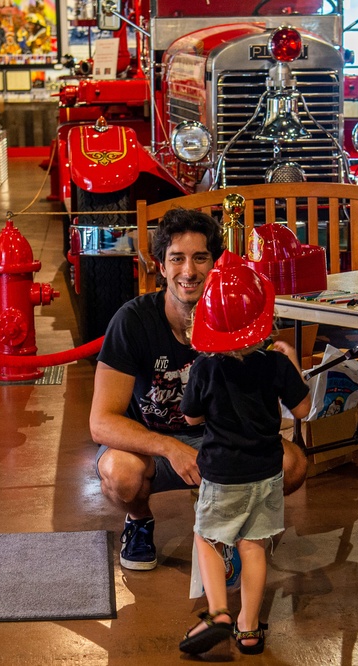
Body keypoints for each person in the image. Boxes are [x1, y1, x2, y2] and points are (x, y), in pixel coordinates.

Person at [89, 208, 309, 572]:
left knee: (293, 464)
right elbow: (101, 423)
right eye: (177, 259)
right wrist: (170, 448)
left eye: (200, 258)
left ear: (216, 264)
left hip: (221, 441)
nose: (188, 271)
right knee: (119, 471)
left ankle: (234, 527)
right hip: (153, 444)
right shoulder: (132, 321)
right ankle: (140, 521)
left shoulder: (237, 315)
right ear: (161, 266)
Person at [177, 257, 311, 656]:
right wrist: (293, 365)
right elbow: (302, 411)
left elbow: (190, 416)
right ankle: (248, 627)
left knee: (207, 537)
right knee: (254, 545)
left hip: (221, 474)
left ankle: (218, 611)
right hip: (267, 471)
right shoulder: (274, 364)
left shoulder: (205, 367)